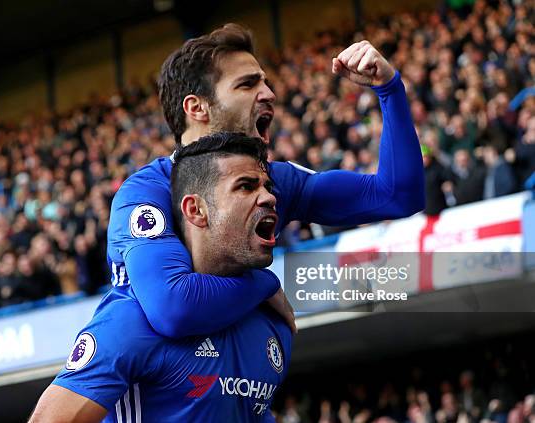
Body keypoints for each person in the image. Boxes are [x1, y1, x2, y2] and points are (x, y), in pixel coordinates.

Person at [105, 23, 424, 338]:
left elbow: (397, 195)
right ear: (197, 108)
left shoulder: (278, 182)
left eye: (266, 83)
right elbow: (173, 308)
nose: (269, 94)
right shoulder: (146, 194)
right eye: (247, 85)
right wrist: (265, 283)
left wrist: (389, 88)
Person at [30, 133, 292, 422]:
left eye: (268, 187)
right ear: (196, 210)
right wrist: (267, 282)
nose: (269, 197)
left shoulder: (273, 322)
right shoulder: (131, 321)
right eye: (245, 186)